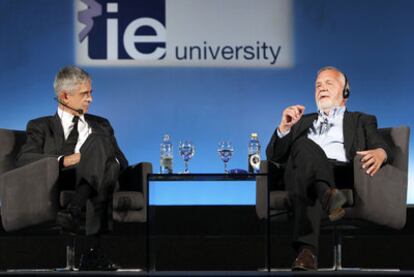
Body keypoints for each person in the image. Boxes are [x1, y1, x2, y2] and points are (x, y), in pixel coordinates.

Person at [266, 66, 392, 271]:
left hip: (340, 173)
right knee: (303, 146)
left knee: (309, 182)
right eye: (318, 85)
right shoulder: (301, 122)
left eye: (328, 83)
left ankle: (307, 252)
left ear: (345, 92)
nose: (321, 88)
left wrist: (381, 153)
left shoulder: (361, 120)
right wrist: (284, 128)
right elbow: (274, 157)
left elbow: (382, 144)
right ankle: (328, 195)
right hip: (299, 171)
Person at [17, 65, 128, 270]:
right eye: (85, 94)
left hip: (103, 175)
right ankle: (93, 252)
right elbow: (25, 159)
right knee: (107, 169)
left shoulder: (102, 124)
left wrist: (103, 160)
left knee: (106, 156)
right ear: (65, 96)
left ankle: (74, 209)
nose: (90, 99)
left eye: (91, 93)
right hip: (64, 177)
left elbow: (122, 161)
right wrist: (65, 160)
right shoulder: (40, 126)